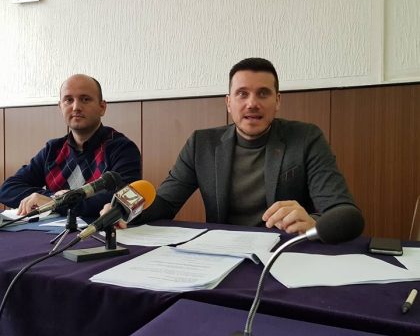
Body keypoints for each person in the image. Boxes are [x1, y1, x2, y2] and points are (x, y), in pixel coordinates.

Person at [110, 57, 358, 234]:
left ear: (278, 101)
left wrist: (314, 223)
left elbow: (344, 212)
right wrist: (123, 210)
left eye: (263, 93)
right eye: (242, 94)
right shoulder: (201, 144)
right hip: (224, 255)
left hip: (285, 253)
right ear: (229, 103)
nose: (252, 103)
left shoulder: (306, 138)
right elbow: (165, 202)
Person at [0, 74, 141, 218]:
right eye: (68, 100)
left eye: (85, 99)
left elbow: (128, 198)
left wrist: (56, 202)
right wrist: (52, 198)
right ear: (60, 107)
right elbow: (7, 189)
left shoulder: (122, 149)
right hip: (52, 230)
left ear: (102, 107)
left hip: (98, 230)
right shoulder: (52, 150)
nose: (76, 107)